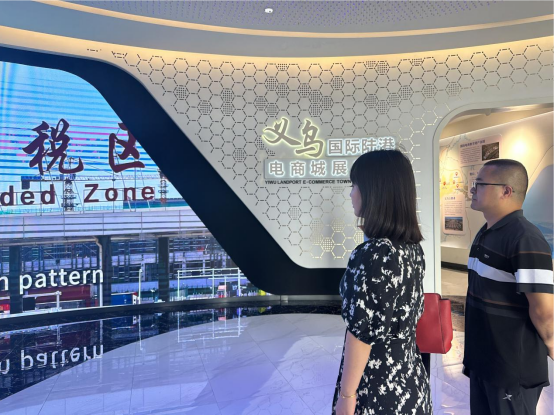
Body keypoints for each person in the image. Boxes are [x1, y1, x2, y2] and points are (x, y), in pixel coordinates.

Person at [333, 150, 432, 416]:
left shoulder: (372, 254)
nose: (351, 193)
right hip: (410, 379)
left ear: (374, 192)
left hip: (377, 386)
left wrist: (347, 395)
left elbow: (361, 335)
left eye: (355, 185)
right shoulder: (411, 249)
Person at [464, 159, 554, 415]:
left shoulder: (525, 237)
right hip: (484, 363)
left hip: (511, 370)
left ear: (506, 191)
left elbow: (543, 309)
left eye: (480, 184)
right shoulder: (486, 231)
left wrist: (551, 343)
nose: (473, 189)